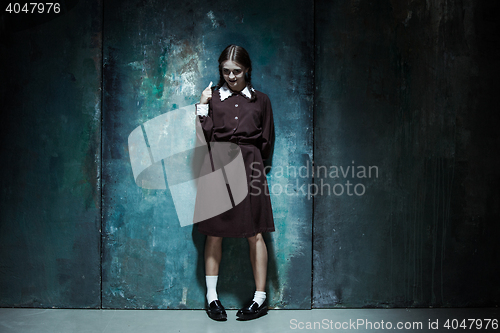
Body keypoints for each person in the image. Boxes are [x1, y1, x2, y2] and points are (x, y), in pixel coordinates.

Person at [195, 45, 275, 321]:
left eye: (236, 71)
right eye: (225, 71)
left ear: (247, 70)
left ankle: (260, 299)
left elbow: (266, 141)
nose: (230, 76)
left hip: (251, 167)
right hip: (218, 165)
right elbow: (202, 139)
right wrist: (203, 105)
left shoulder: (261, 100)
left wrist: (252, 164)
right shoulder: (213, 99)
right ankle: (212, 298)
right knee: (214, 232)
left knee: (255, 233)